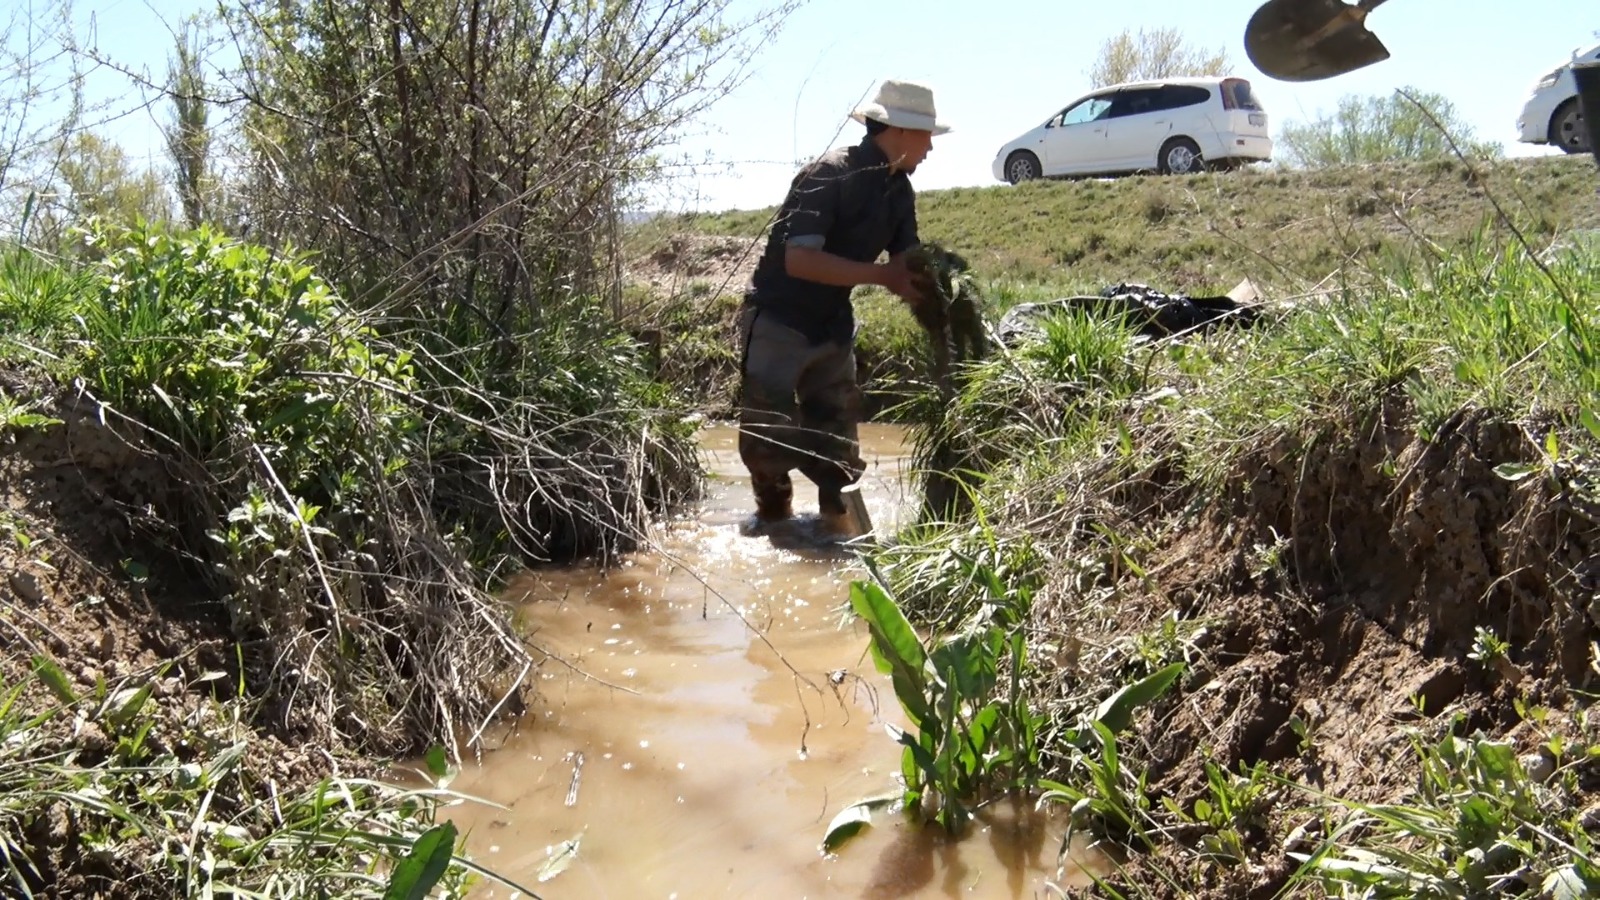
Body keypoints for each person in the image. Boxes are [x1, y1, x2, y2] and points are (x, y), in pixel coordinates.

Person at [735, 78, 949, 539]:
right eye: (927, 136)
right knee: (766, 443)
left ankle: (839, 534)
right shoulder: (827, 175)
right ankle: (774, 527)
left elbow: (906, 265)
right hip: (778, 320)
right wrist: (883, 277)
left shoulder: (899, 192)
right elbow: (799, 260)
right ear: (900, 131)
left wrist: (942, 306)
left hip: (832, 326)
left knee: (838, 448)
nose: (931, 148)